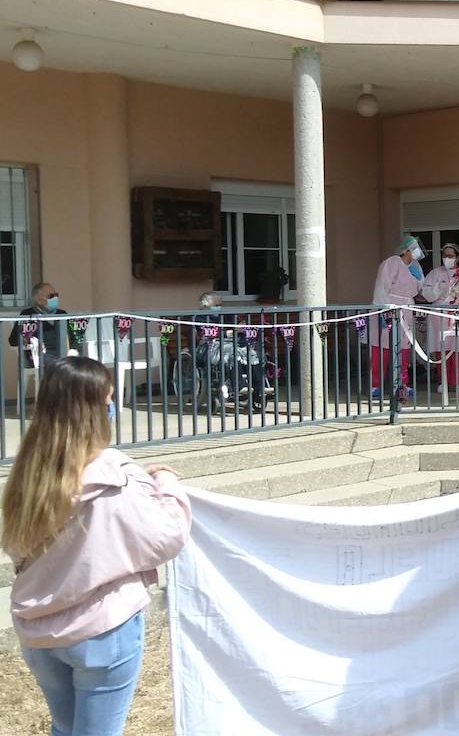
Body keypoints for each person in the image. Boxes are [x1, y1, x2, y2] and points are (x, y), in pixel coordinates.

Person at [3, 357, 191, 736]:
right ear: (95, 408)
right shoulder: (115, 479)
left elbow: (14, 544)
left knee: (64, 727)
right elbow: (166, 536)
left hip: (39, 632)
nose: (113, 404)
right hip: (102, 630)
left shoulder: (28, 473)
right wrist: (168, 484)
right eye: (109, 397)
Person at [366, 236, 425, 399]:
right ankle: (375, 385)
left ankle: (402, 384)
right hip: (390, 306)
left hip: (406, 308)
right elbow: (382, 286)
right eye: (415, 248)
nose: (418, 252)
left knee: (404, 347)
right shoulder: (391, 263)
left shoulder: (416, 266)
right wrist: (383, 309)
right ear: (407, 249)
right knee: (382, 347)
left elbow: (422, 288)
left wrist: (419, 279)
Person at [419, 244, 459, 396]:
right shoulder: (435, 273)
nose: (447, 258)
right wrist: (438, 288)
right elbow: (427, 294)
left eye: (451, 255)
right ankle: (443, 381)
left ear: (458, 257)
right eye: (445, 255)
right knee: (442, 349)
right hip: (439, 315)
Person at [193, 292, 268, 412]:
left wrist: (242, 329)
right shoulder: (199, 317)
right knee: (233, 354)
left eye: (219, 304)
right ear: (205, 306)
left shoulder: (228, 315)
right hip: (211, 345)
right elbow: (206, 335)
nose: (218, 307)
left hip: (232, 341)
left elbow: (237, 328)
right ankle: (240, 386)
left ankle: (259, 387)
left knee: (252, 353)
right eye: (215, 304)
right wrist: (230, 332)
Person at [8, 282, 68, 372]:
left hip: (62, 353)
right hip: (37, 355)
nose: (55, 298)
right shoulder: (27, 315)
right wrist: (29, 338)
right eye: (51, 296)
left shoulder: (62, 314)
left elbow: (73, 337)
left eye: (56, 295)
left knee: (77, 361)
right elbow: (13, 340)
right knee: (59, 364)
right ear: (39, 300)